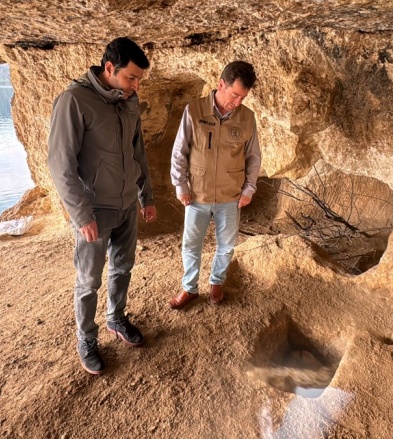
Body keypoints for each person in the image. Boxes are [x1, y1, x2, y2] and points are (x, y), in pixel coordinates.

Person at [47, 37, 157, 375]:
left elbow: (137, 152)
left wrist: (145, 196)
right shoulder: (74, 100)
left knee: (123, 268)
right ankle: (86, 338)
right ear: (109, 68)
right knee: (88, 280)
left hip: (125, 205)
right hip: (94, 211)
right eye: (131, 78)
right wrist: (81, 215)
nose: (136, 86)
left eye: (139, 79)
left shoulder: (129, 100)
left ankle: (116, 318)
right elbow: (59, 164)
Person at [168, 61, 261, 310]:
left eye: (243, 97)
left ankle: (217, 282)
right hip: (197, 195)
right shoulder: (194, 111)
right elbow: (180, 151)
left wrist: (249, 189)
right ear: (221, 84)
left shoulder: (247, 118)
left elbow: (253, 157)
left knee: (227, 244)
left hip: (231, 195)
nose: (238, 102)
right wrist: (181, 185)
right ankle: (189, 288)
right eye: (235, 94)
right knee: (191, 245)